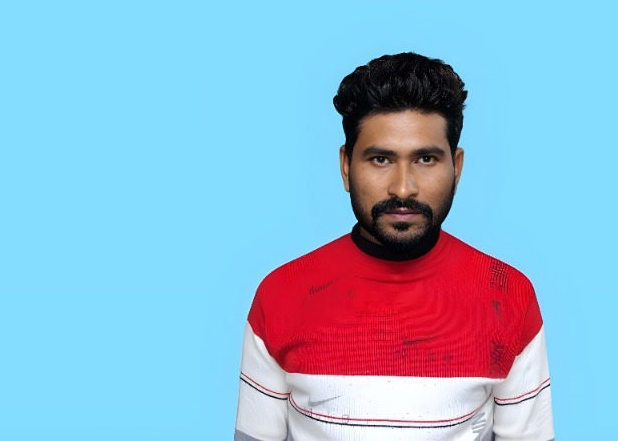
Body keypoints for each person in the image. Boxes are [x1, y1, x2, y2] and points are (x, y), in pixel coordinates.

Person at [235, 52, 554, 440]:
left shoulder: (509, 293)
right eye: (381, 159)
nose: (403, 188)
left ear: (457, 168)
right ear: (346, 166)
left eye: (426, 159)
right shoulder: (280, 293)